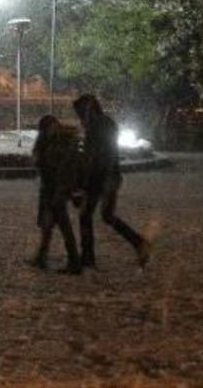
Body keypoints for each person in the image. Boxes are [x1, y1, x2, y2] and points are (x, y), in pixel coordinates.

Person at [72, 94, 152, 269]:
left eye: (79, 113)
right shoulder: (107, 123)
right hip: (110, 175)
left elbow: (93, 156)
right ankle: (139, 243)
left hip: (100, 177)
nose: (79, 117)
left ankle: (88, 257)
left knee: (86, 216)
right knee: (106, 216)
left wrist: (83, 182)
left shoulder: (95, 126)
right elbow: (106, 152)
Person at [27, 114, 84, 274]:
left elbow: (66, 168)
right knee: (47, 223)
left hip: (58, 188)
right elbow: (42, 160)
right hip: (49, 187)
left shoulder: (64, 141)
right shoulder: (48, 140)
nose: (47, 131)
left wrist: (67, 189)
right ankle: (42, 255)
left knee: (63, 224)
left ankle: (74, 261)